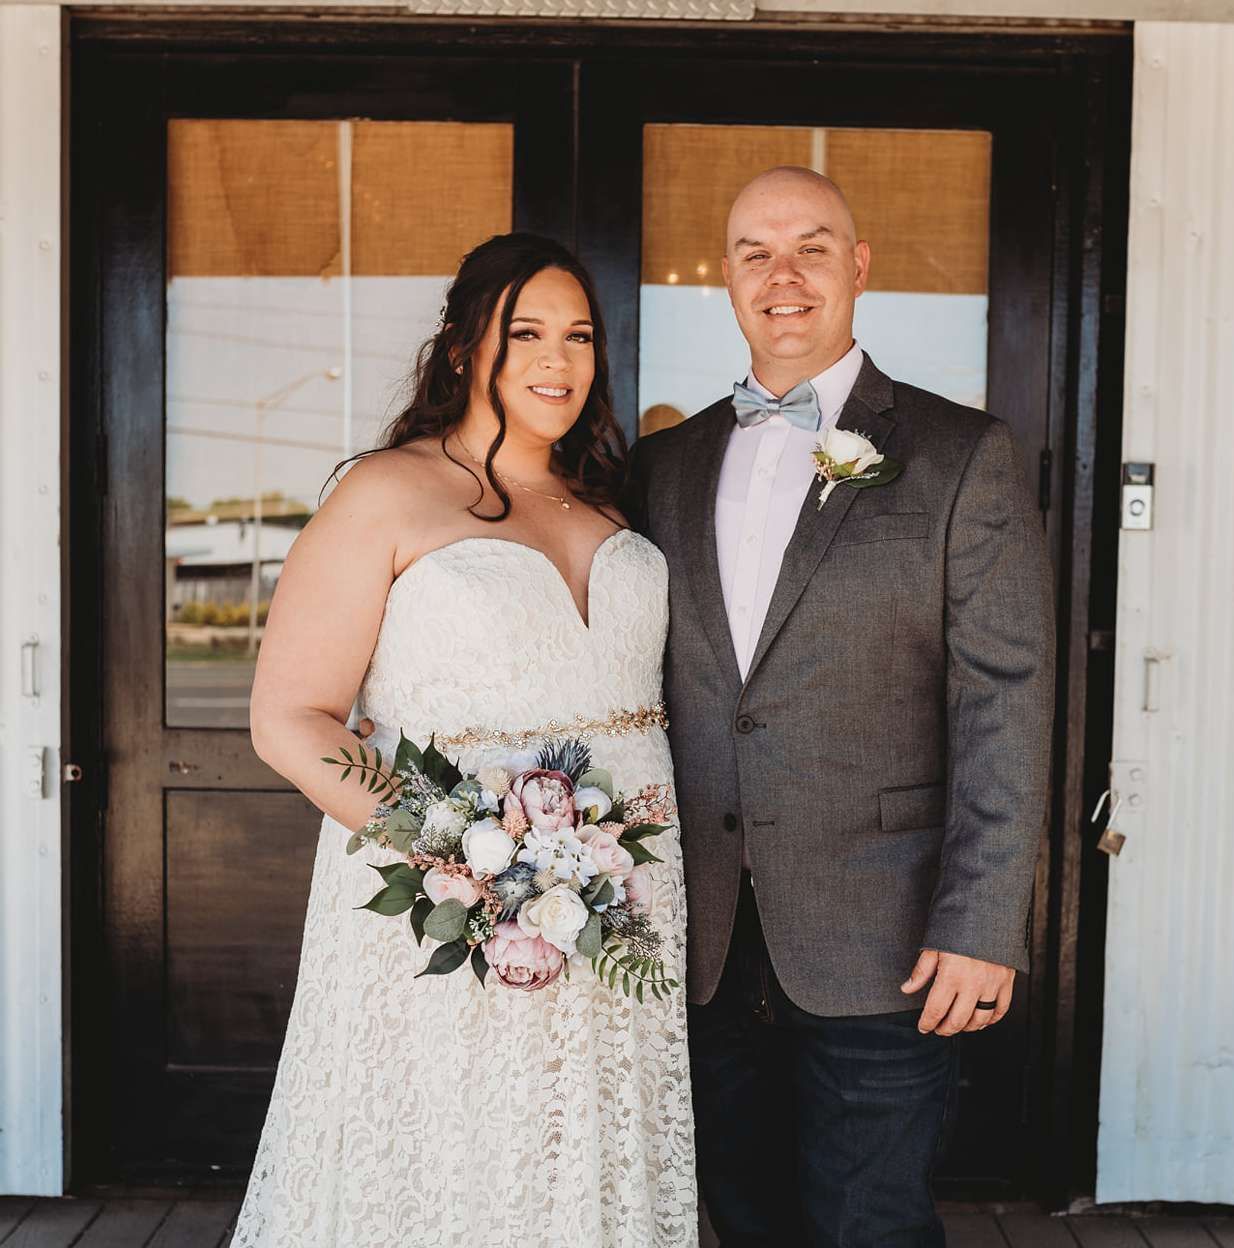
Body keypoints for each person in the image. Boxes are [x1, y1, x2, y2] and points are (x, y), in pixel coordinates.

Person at [232, 233, 697, 1248]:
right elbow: (289, 719)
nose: (557, 359)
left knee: (583, 1150)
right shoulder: (386, 491)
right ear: (460, 350)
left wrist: (577, 873)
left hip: (625, 902)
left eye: (579, 336)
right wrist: (471, 855)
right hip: (456, 903)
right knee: (455, 1149)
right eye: (524, 331)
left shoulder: (613, 498)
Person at [627, 167, 1056, 1246]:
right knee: (744, 1221)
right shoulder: (657, 470)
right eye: (754, 251)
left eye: (813, 246)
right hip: (704, 941)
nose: (784, 275)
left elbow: (1006, 703)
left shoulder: (963, 457)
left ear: (858, 267)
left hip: (888, 940)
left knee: (870, 1225)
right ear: (723, 279)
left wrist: (983, 925)